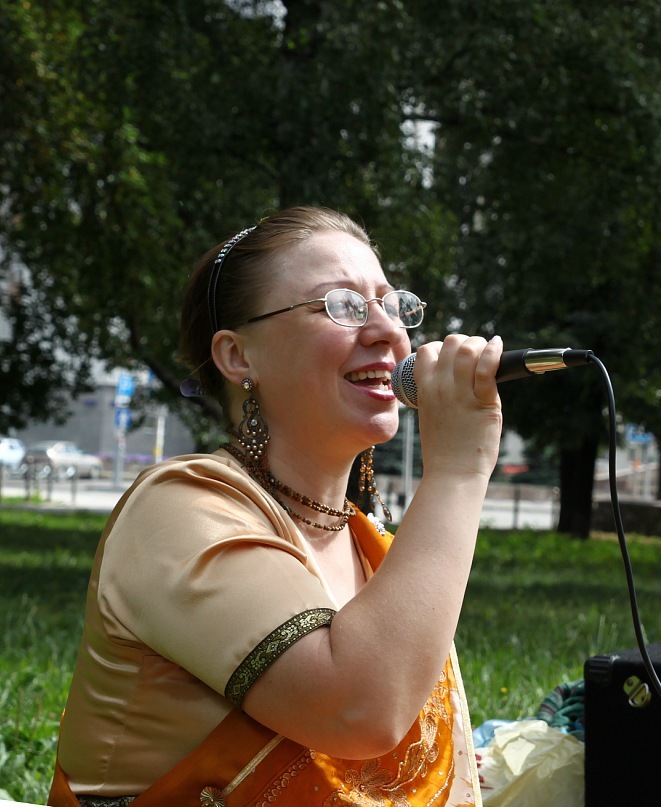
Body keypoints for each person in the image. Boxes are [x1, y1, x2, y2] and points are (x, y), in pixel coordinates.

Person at [48, 205, 503, 807]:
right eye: (341, 305)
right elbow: (357, 711)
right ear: (238, 357)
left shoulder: (367, 541)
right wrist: (458, 473)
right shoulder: (178, 510)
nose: (389, 332)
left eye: (393, 305)